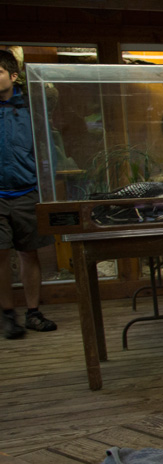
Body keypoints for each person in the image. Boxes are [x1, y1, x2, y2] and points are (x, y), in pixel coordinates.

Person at [0, 48, 57, 339]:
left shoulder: (31, 107)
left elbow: (46, 147)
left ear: (13, 76)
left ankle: (33, 312)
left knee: (29, 252)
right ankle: (7, 315)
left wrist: (46, 186)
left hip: (27, 191)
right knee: (0, 254)